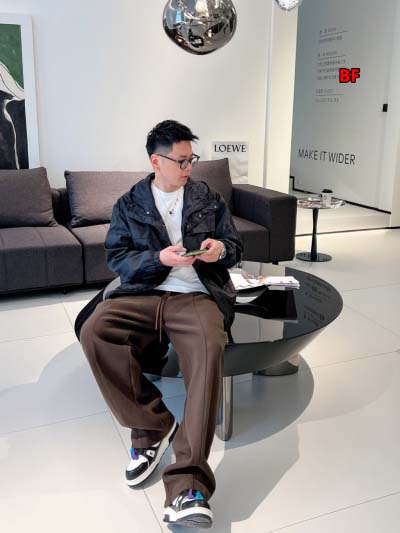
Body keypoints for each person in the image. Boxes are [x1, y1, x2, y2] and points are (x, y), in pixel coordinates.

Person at [79, 119, 243, 528]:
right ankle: (151, 425)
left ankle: (189, 485)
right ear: (156, 161)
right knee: (95, 331)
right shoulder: (130, 203)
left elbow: (235, 246)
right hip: (143, 293)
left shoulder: (208, 198)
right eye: (181, 160)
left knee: (208, 350)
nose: (189, 167)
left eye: (192, 159)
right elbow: (117, 258)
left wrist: (220, 250)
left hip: (197, 295)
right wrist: (159, 259)